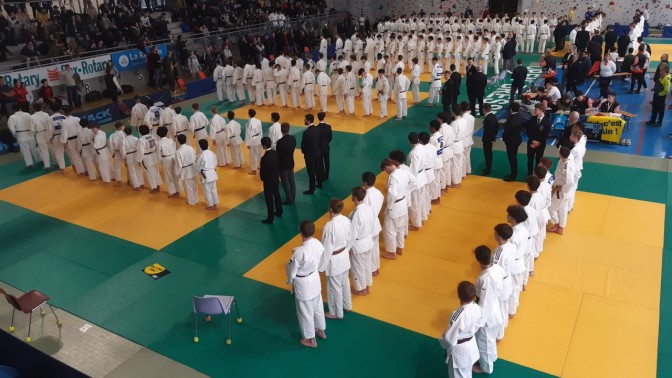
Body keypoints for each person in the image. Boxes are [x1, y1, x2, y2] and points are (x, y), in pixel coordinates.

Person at [286, 220, 327, 348]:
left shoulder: (299, 253)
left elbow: (291, 270)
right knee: (318, 306)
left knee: (305, 312)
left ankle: (310, 339)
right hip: (314, 278)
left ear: (300, 233)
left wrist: (290, 279)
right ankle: (321, 330)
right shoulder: (318, 244)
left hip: (303, 283)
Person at [438, 281, 483, 378]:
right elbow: (480, 324)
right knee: (466, 373)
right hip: (471, 344)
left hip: (460, 351)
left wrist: (442, 340)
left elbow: (448, 340)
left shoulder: (458, 315)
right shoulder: (477, 308)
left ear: (459, 296)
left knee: (458, 375)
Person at [472, 246, 505, 374]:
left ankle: (485, 368)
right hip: (495, 307)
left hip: (488, 315)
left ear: (477, 260)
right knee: (490, 339)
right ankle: (492, 357)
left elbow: (484, 304)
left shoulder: (486, 279)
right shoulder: (497, 268)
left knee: (484, 343)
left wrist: (479, 323)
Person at [319, 198, 352, 319]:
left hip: (334, 259)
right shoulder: (346, 220)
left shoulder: (329, 226)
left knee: (335, 288)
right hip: (344, 254)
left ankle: (337, 313)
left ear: (330, 209)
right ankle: (347, 305)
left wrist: (321, 267)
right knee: (345, 283)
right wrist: (346, 250)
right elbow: (349, 238)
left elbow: (327, 249)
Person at [381, 157, 415, 260]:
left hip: (395, 205)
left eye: (385, 170)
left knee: (390, 230)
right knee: (400, 227)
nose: (386, 172)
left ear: (387, 167)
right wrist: (405, 192)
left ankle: (392, 253)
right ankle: (400, 247)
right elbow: (414, 181)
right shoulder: (403, 171)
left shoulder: (393, 176)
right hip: (403, 202)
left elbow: (392, 194)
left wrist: (389, 207)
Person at [349, 187, 375, 295]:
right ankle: (367, 285)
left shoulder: (357, 213)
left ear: (354, 197)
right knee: (367, 265)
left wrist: (347, 248)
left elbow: (353, 233)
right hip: (368, 240)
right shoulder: (369, 208)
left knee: (358, 268)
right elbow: (373, 223)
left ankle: (360, 289)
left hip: (358, 244)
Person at [492, 223, 515, 341]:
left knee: (500, 309)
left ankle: (499, 335)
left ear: (500, 236)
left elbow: (494, 270)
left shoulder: (498, 253)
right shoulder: (510, 245)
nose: (494, 235)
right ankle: (504, 325)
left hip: (501, 282)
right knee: (504, 306)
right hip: (508, 279)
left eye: (495, 233)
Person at [548, 146, 577, 235]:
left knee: (551, 208)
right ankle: (561, 227)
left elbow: (570, 182)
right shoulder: (566, 161)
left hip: (561, 191)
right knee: (562, 209)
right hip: (567, 192)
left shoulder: (566, 166)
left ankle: (557, 224)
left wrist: (561, 189)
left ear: (560, 154)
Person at [506, 204, 529, 319]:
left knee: (513, 289)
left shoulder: (513, 235)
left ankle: (511, 311)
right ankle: (513, 307)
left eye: (509, 215)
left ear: (513, 218)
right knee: (516, 288)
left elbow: (510, 253)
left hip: (514, 264)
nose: (507, 216)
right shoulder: (523, 228)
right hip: (520, 262)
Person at [362, 171, 384, 276]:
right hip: (376, 223)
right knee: (375, 247)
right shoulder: (378, 193)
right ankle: (376, 267)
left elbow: (364, 213)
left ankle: (371, 269)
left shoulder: (366, 197)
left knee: (369, 249)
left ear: (365, 182)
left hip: (369, 226)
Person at [259, 136, 283, 224]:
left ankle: (270, 217)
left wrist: (262, 178)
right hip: (275, 178)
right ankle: (279, 211)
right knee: (277, 195)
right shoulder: (275, 153)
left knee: (269, 199)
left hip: (268, 181)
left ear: (264, 146)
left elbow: (263, 171)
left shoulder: (264, 158)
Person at [524, 103, 552, 175]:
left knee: (538, 161)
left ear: (541, 110)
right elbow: (528, 131)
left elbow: (546, 134)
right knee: (530, 160)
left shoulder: (547, 121)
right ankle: (529, 175)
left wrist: (538, 143)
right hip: (531, 143)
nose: (534, 111)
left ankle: (536, 175)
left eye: (536, 109)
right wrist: (533, 141)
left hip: (541, 145)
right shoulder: (532, 119)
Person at [157, 126, 181, 198]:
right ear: (167, 132)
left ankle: (173, 193)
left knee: (169, 177)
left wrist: (161, 161)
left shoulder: (159, 143)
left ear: (158, 134)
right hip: (174, 157)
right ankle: (178, 191)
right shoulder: (171, 140)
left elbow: (158, 155)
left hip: (165, 159)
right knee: (175, 175)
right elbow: (175, 149)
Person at [136, 124, 162, 193]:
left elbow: (141, 151)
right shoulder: (152, 137)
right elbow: (157, 146)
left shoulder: (141, 140)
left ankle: (154, 188)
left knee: (150, 173)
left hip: (146, 157)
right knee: (156, 171)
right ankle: (158, 186)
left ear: (140, 132)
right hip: (154, 155)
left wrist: (139, 160)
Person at [301, 114, 323, 195]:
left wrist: (304, 152)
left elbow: (303, 145)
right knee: (318, 170)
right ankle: (320, 184)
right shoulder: (318, 129)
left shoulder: (306, 133)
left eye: (305, 120)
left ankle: (311, 189)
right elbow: (321, 141)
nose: (304, 121)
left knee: (311, 172)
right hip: (318, 154)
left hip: (310, 156)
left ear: (308, 121)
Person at [8, 103, 35, 168]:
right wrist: (33, 131)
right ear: (20, 108)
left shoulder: (12, 117)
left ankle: (29, 164)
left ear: (13, 110)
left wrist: (15, 134)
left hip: (21, 134)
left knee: (25, 150)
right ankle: (41, 159)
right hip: (30, 133)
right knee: (34, 148)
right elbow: (32, 123)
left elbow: (11, 128)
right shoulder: (27, 114)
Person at [502, 102, 524, 182]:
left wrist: (504, 138)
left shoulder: (511, 119)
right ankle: (513, 173)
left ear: (511, 109)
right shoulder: (519, 117)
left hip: (511, 142)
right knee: (513, 158)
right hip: (517, 140)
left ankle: (513, 176)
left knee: (512, 158)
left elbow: (507, 131)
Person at [175, 134, 199, 205]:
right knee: (194, 185)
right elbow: (195, 156)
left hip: (185, 170)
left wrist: (178, 173)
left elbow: (179, 164)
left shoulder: (178, 152)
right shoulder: (190, 147)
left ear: (178, 142)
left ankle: (191, 201)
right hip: (193, 168)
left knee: (188, 187)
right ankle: (196, 199)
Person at [276, 122, 296, 205]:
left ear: (281, 130)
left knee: (285, 182)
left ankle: (289, 199)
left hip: (283, 165)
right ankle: (293, 197)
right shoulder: (293, 138)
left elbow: (278, 155)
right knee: (291, 181)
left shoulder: (280, 142)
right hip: (290, 162)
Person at [196, 139, 219, 210]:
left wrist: (199, 172)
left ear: (200, 146)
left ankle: (210, 205)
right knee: (214, 189)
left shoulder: (201, 156)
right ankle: (215, 204)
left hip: (206, 174)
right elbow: (215, 161)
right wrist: (213, 167)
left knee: (207, 191)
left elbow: (198, 166)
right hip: (213, 172)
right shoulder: (212, 153)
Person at [121, 126, 144, 191]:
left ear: (125, 133)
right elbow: (139, 148)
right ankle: (141, 183)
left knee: (132, 171)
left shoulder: (124, 140)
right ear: (131, 131)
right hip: (136, 154)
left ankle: (137, 186)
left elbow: (123, 151)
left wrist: (124, 158)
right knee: (138, 170)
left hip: (129, 156)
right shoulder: (136, 138)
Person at [30, 102, 51, 170]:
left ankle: (47, 165)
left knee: (44, 150)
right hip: (48, 133)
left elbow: (32, 128)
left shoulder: (32, 117)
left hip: (39, 134)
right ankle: (57, 162)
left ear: (33, 108)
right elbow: (50, 124)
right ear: (41, 107)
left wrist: (33, 134)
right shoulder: (46, 114)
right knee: (53, 149)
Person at [649, 62, 670, 127]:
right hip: (656, 94)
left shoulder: (667, 78)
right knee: (654, 107)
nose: (660, 72)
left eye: (661, 71)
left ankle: (659, 122)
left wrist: (660, 94)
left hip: (661, 96)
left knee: (661, 109)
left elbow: (666, 90)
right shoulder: (662, 76)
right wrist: (654, 89)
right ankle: (652, 120)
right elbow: (658, 85)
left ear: (665, 71)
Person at [49, 103, 67, 171]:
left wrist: (50, 137)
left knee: (58, 152)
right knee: (70, 151)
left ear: (51, 109)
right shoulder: (64, 116)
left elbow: (50, 129)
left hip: (56, 136)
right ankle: (74, 164)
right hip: (64, 135)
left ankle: (62, 167)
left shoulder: (50, 118)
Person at [481, 103, 498, 175]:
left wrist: (492, 139)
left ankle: (488, 170)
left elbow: (490, 130)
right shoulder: (493, 116)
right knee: (488, 154)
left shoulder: (487, 119)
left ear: (484, 110)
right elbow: (497, 126)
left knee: (487, 154)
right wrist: (495, 136)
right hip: (490, 139)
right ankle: (488, 167)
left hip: (487, 140)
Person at [246, 108, 263, 174]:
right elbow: (261, 130)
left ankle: (254, 170)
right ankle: (260, 166)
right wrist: (261, 139)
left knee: (253, 155)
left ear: (249, 114)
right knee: (259, 154)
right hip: (259, 138)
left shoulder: (249, 122)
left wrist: (247, 143)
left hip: (253, 140)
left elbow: (248, 133)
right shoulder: (258, 121)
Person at [316, 112, 332, 181]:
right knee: (327, 162)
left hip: (319, 148)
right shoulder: (328, 127)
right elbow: (330, 137)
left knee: (320, 163)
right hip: (326, 147)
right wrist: (326, 142)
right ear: (324, 117)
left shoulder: (316, 128)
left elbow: (316, 139)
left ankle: (321, 176)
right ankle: (326, 176)